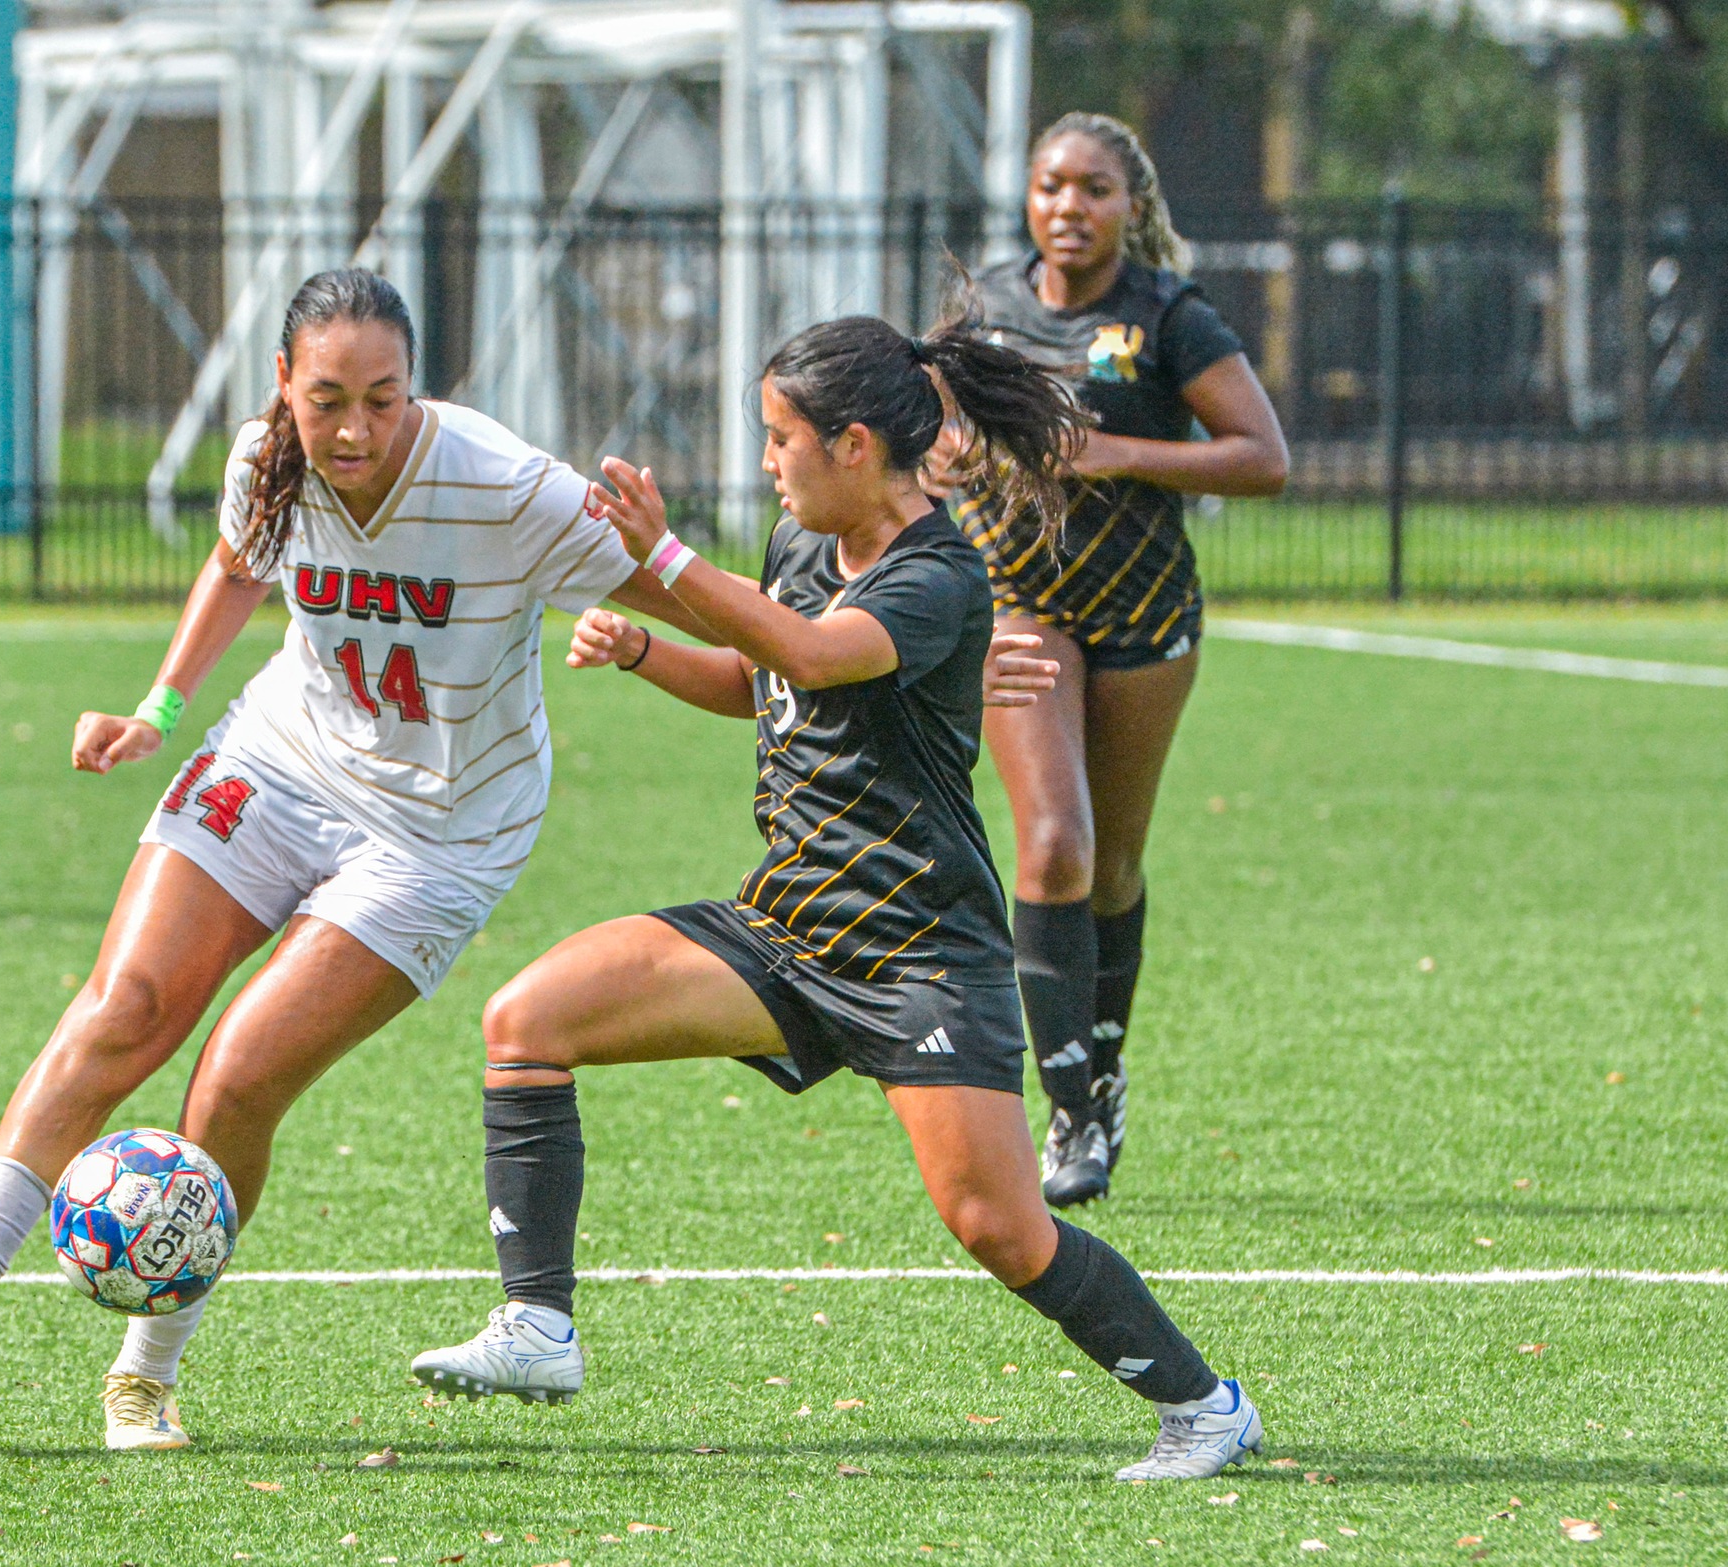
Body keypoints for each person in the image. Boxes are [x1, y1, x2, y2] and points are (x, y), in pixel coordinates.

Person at [0, 268, 719, 1452]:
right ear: (284, 384)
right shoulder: (265, 456)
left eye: (381, 398)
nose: (353, 429)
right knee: (125, 1007)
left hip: (440, 833)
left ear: (414, 388)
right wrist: (155, 710)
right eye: (327, 400)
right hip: (275, 762)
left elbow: (704, 607)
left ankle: (143, 1377)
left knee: (238, 1075)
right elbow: (236, 565)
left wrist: (753, 604)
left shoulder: (506, 487)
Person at [410, 311, 1265, 1482]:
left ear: (854, 443)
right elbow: (765, 677)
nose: (767, 461)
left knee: (999, 1228)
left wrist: (662, 561)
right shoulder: (803, 541)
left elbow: (816, 658)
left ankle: (1206, 1404)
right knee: (527, 1019)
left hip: (918, 952)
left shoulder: (937, 573)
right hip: (782, 928)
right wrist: (648, 652)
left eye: (780, 438)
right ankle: (538, 1327)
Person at [946, 113, 1289, 1207]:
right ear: (1028, 198)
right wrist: (950, 446)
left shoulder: (1165, 316)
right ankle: (1070, 1110)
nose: (1068, 207)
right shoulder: (984, 309)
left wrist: (1111, 454)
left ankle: (1102, 1063)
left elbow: (1261, 457)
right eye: (1050, 186)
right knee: (1051, 846)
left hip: (1142, 612)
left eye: (1093, 189)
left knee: (1114, 865)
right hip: (1019, 600)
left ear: (1128, 206)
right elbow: (924, 432)